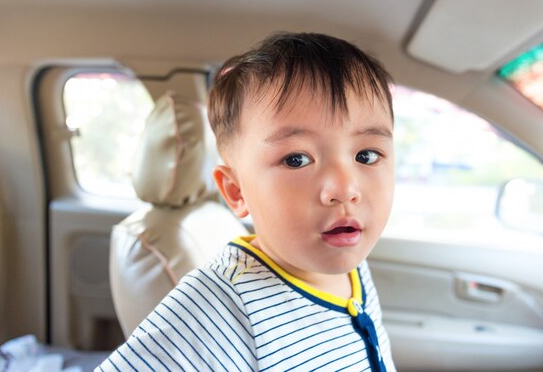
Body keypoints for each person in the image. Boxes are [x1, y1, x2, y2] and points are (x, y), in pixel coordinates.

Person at [96, 32, 397, 372]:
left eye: (367, 155)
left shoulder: (352, 265)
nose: (344, 188)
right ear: (237, 192)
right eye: (297, 159)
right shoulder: (220, 307)